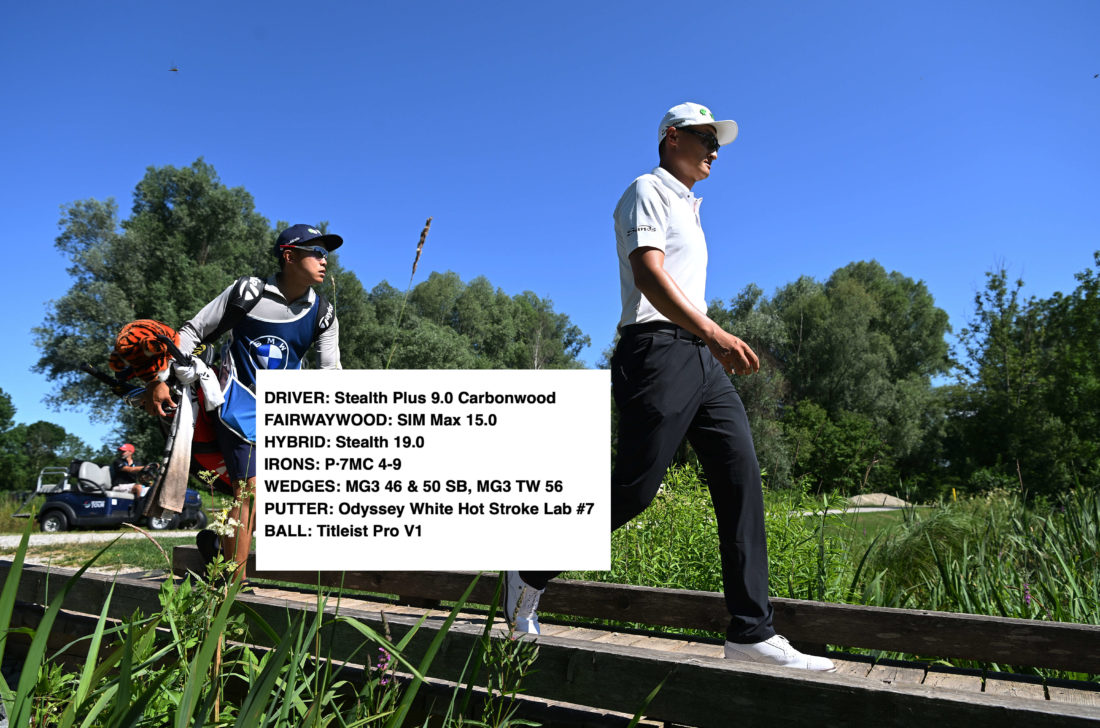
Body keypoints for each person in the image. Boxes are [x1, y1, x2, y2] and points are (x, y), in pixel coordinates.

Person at [506, 103, 834, 672]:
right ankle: (528, 571)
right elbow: (648, 275)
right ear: (671, 138)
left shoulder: (689, 205)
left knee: (740, 478)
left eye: (719, 142)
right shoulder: (646, 190)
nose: (715, 150)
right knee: (635, 488)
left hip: (698, 355)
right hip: (656, 349)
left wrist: (706, 339)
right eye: (706, 138)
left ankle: (751, 630)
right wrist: (713, 331)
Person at [146, 224, 343, 581]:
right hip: (237, 405)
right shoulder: (247, 292)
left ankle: (218, 549)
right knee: (248, 494)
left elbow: (330, 371)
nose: (323, 261)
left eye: (325, 254)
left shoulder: (324, 312)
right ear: (289, 256)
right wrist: (160, 380)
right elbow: (191, 332)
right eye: (316, 252)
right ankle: (233, 591)